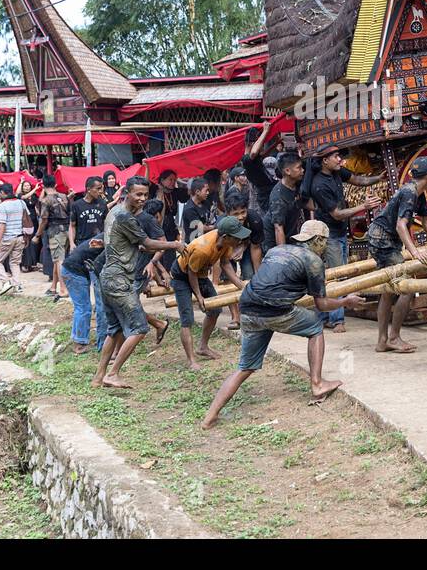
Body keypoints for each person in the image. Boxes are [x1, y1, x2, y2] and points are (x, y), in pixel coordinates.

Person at [202, 220, 365, 428]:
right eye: (324, 241)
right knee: (315, 327)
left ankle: (211, 415)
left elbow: (275, 280)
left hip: (249, 307)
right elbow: (321, 304)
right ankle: (317, 384)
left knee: (244, 368)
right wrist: (345, 301)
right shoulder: (313, 262)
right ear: (317, 240)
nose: (325, 246)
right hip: (274, 310)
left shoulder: (277, 250)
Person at [93, 177, 179, 389]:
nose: (142, 199)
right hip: (119, 279)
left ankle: (98, 377)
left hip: (107, 276)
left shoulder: (114, 212)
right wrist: (175, 244)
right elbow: (148, 242)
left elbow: (136, 245)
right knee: (140, 328)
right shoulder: (126, 217)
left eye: (145, 195)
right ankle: (113, 374)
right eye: (137, 194)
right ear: (127, 193)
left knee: (115, 330)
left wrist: (146, 251)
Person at [366, 157, 427, 354]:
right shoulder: (409, 193)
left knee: (388, 290)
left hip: (384, 239)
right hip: (383, 241)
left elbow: (426, 222)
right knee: (406, 288)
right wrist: (414, 252)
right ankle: (393, 338)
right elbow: (401, 225)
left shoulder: (418, 192)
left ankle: (383, 340)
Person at [305, 146, 384, 331]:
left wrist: (377, 178)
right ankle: (337, 320)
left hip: (339, 232)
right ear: (325, 160)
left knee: (330, 275)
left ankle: (324, 316)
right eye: (336, 156)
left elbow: (356, 179)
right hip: (329, 234)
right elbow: (337, 214)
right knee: (337, 275)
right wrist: (363, 206)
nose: (340, 159)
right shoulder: (319, 185)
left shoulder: (336, 172)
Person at [171, 214, 251, 369]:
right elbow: (191, 272)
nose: (239, 241)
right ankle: (191, 360)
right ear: (227, 236)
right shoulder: (204, 249)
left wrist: (241, 285)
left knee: (214, 310)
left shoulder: (226, 243)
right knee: (187, 318)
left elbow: (226, 264)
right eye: (237, 237)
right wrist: (199, 296)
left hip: (199, 274)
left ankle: (203, 347)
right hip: (182, 275)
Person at [62, 234, 106, 355]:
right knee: (84, 308)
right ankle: (80, 344)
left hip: (71, 269)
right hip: (73, 271)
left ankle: (80, 340)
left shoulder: (107, 235)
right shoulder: (106, 239)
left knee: (82, 308)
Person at [0, 187, 29, 296]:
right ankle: (17, 285)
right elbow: (26, 219)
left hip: (7, 238)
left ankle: (6, 282)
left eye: (0, 193)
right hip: (20, 237)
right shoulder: (21, 203)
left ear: (4, 193)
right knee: (15, 262)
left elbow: (2, 224)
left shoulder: (3, 205)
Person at [37, 174, 70, 301]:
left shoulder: (46, 200)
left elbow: (43, 220)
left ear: (43, 185)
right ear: (55, 184)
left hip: (54, 231)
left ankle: (63, 289)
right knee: (58, 259)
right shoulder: (64, 197)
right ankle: (53, 287)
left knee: (58, 260)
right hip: (67, 230)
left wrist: (38, 234)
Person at [265, 152, 305, 251]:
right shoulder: (278, 197)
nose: (302, 170)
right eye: (299, 168)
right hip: (276, 242)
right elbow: (278, 228)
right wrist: (283, 255)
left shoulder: (297, 183)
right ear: (287, 171)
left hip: (293, 235)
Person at [69, 177, 109, 248]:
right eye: (98, 188)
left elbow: (107, 224)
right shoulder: (77, 205)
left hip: (99, 243)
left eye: (101, 188)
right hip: (82, 244)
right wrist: (72, 243)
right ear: (89, 189)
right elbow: (72, 226)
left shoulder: (103, 204)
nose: (100, 191)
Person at [180, 177, 217, 244]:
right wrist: (216, 226)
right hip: (194, 244)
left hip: (205, 240)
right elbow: (202, 228)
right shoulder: (189, 209)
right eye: (206, 190)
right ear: (197, 192)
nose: (208, 193)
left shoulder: (205, 202)